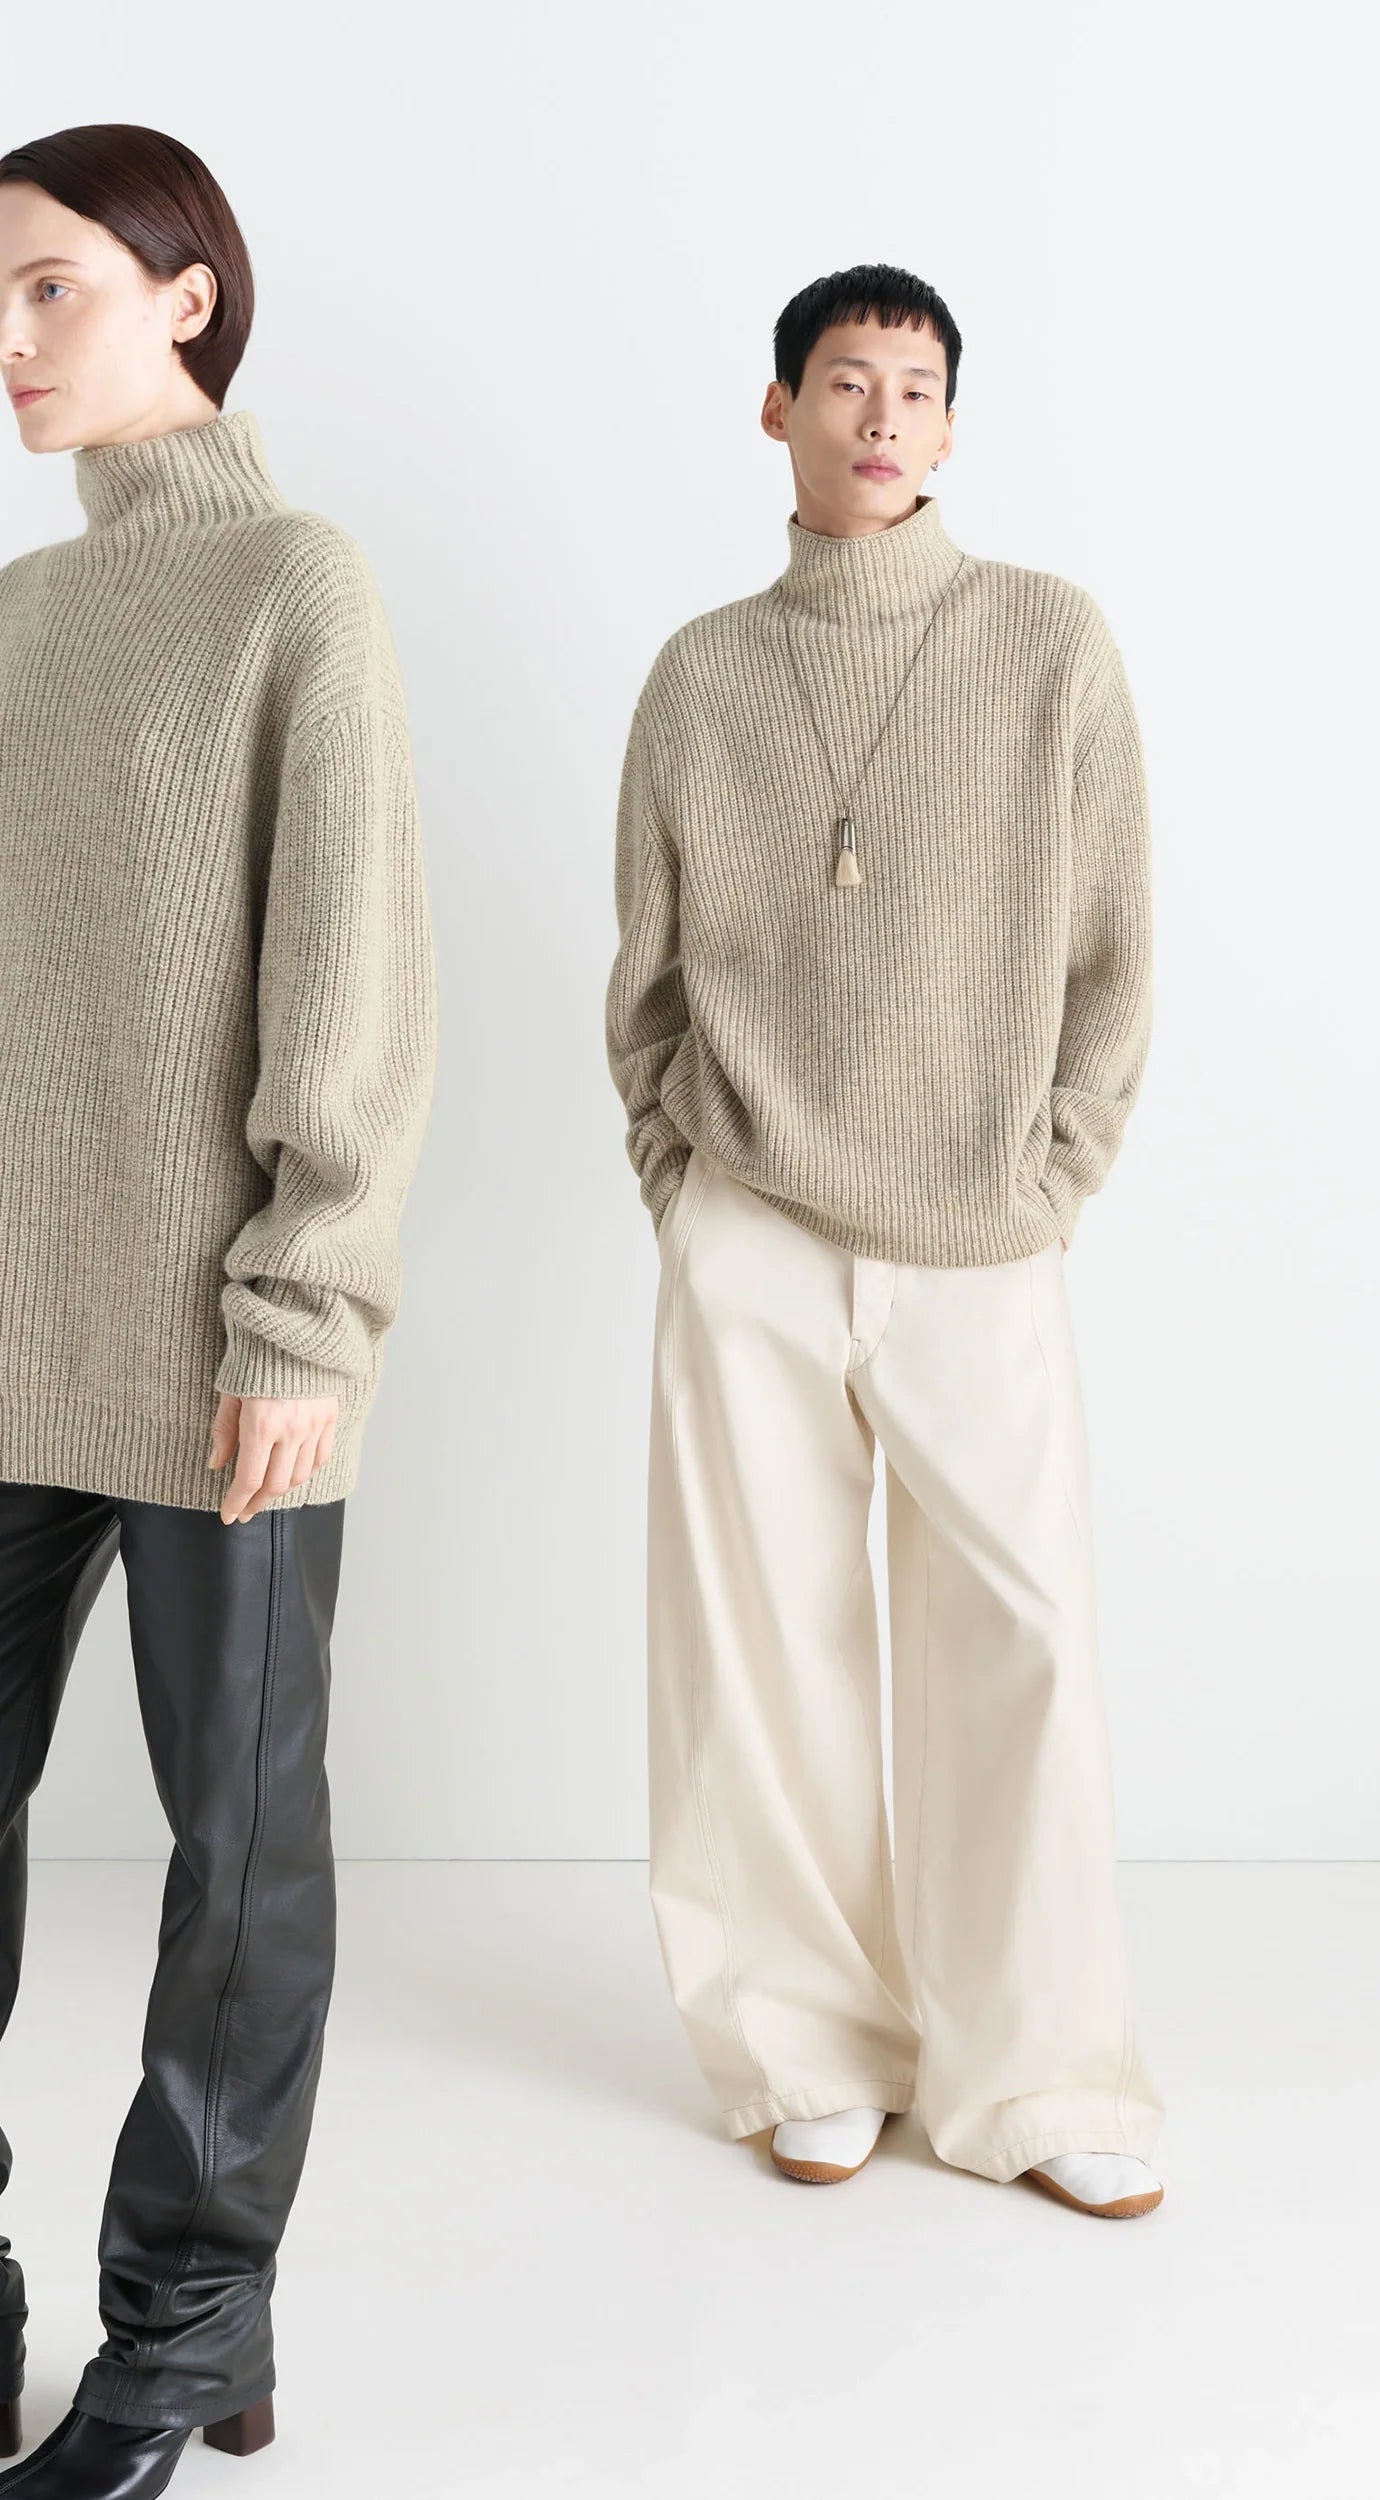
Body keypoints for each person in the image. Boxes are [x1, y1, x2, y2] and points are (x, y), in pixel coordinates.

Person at [605, 263, 1163, 2219]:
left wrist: (1055, 1172)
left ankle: (1042, 2072)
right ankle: (811, 2047)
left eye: (915, 388)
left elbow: (1112, 949)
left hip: (982, 1232)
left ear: (949, 425)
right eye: (846, 383)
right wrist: (686, 1186)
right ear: (779, 411)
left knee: (1020, 1647)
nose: (881, 418)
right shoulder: (700, 673)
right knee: (759, 1657)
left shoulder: (1044, 641)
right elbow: (646, 978)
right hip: (751, 1222)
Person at [0, 125, 436, 2497]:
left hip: (218, 1354)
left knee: (236, 1853)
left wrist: (304, 1309)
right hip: (7, 1332)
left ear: (185, 295)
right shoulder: (20, 612)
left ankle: (181, 2326)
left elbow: (348, 975)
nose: (10, 340)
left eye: (50, 286)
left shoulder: (294, 582)